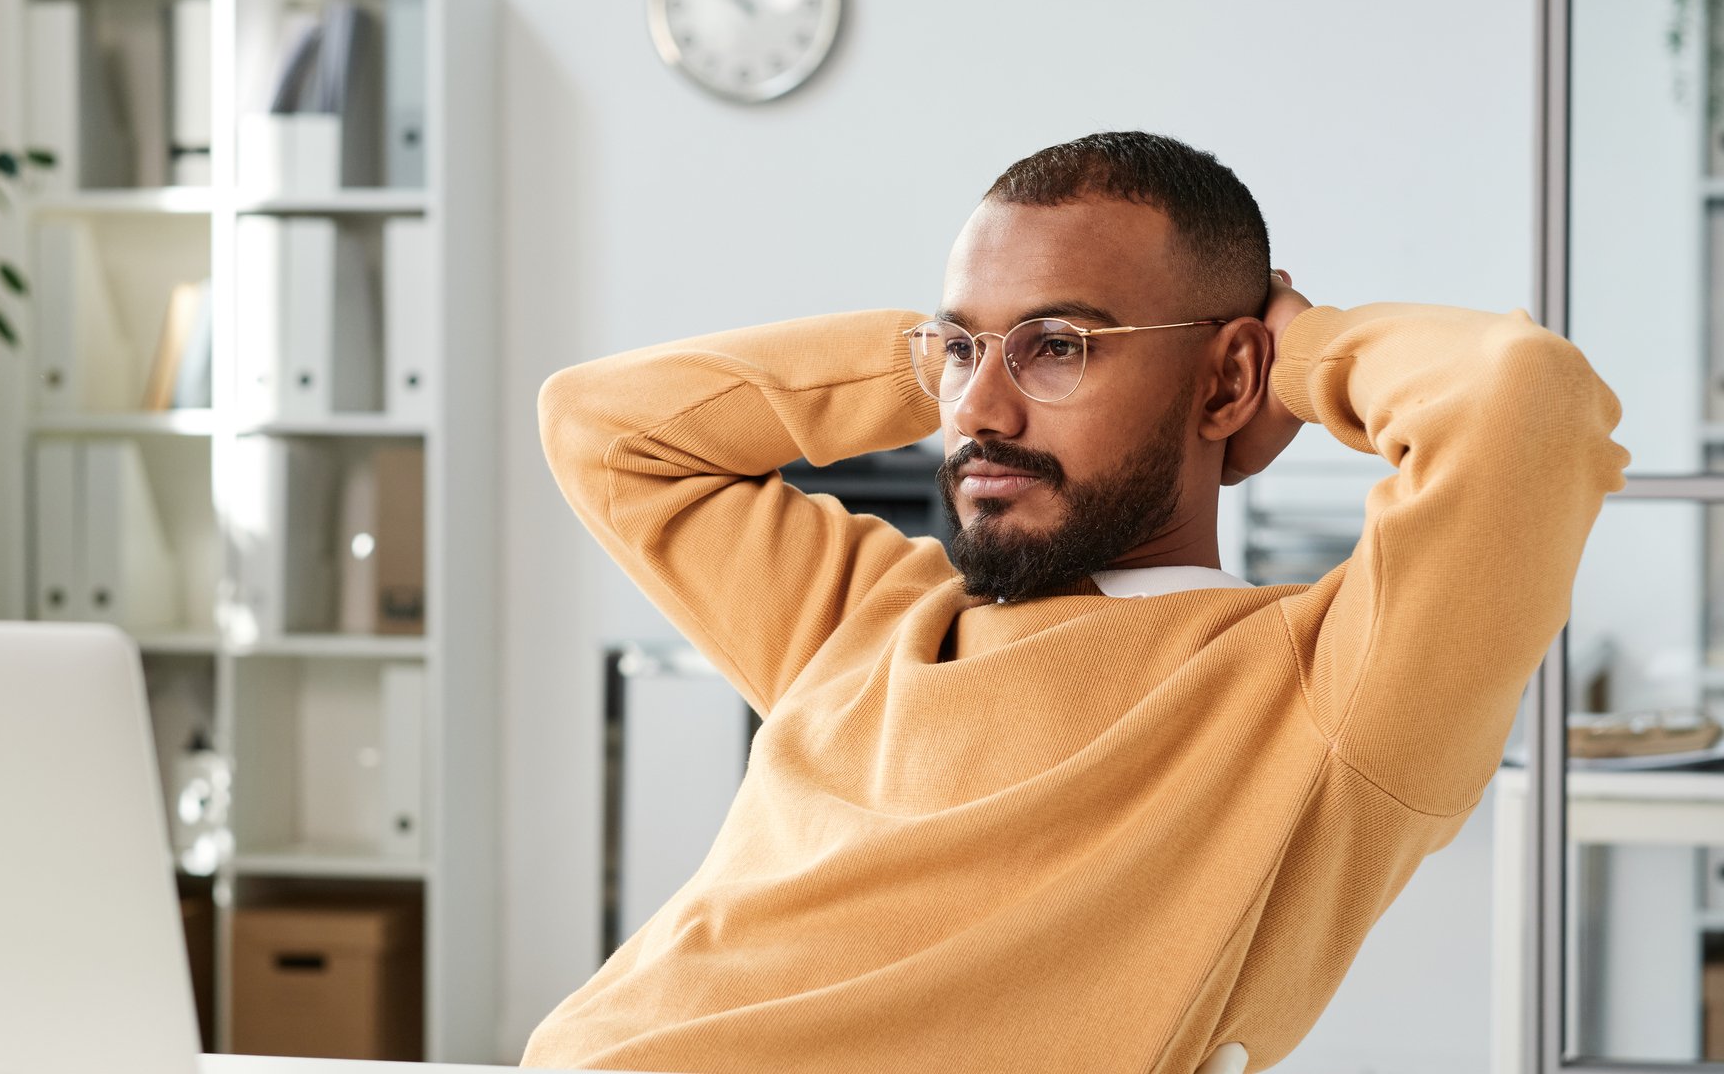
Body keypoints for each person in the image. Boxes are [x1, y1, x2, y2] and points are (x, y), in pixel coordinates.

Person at [522, 131, 1627, 1074]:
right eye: (961, 353)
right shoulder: (864, 611)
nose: (979, 412)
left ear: (1227, 381)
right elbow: (601, 425)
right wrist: (940, 356)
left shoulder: (1327, 692)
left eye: (1058, 347)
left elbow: (1524, 402)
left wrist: (1303, 353)